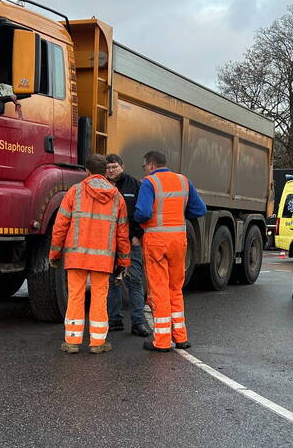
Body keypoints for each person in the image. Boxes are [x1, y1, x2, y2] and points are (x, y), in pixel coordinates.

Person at [49, 154, 131, 354]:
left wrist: (55, 253)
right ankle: (97, 343)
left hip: (76, 256)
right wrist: (124, 261)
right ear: (105, 172)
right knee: (99, 298)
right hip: (103, 259)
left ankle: (72, 342)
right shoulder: (116, 197)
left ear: (87, 170)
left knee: (75, 297)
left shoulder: (75, 192)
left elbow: (60, 226)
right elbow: (122, 233)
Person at [133, 150, 207, 352]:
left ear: (150, 165)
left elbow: (143, 212)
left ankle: (162, 341)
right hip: (178, 240)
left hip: (157, 241)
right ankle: (181, 337)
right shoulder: (183, 181)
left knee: (159, 290)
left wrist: (139, 220)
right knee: (175, 289)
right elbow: (200, 209)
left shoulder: (150, 183)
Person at [104, 154, 152, 337]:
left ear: (122, 166)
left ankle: (138, 322)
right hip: (109, 243)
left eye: (114, 167)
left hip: (131, 242)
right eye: (108, 168)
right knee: (112, 282)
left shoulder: (135, 185)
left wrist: (138, 236)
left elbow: (144, 211)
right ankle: (114, 319)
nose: (111, 170)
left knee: (135, 281)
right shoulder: (103, 185)